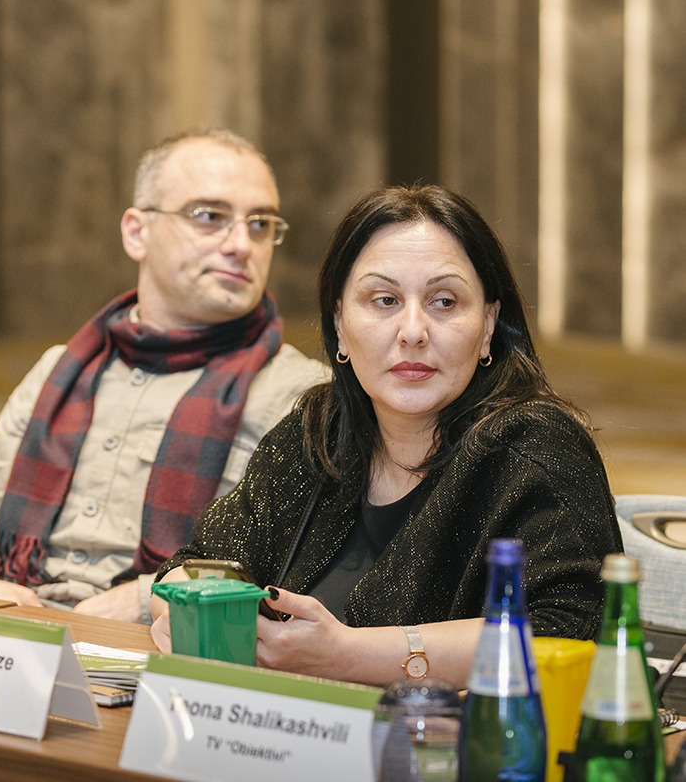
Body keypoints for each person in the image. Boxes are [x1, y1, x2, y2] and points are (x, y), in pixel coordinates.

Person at [150, 183, 622, 687]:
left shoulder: (536, 450)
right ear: (339, 323)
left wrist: (346, 655)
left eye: (444, 302)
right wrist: (185, 609)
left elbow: (570, 635)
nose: (413, 331)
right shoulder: (317, 431)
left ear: (488, 324)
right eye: (384, 300)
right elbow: (195, 568)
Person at [0, 128, 329, 623]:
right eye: (210, 217)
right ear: (137, 232)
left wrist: (141, 602)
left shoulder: (302, 395)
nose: (242, 245)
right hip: (17, 633)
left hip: (168, 646)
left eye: (261, 224)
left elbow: (283, 574)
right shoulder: (60, 370)